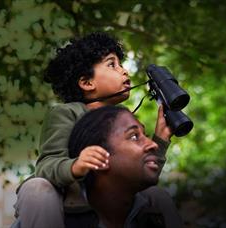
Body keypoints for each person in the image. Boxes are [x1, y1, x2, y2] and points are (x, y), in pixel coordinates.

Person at [12, 32, 173, 228]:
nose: (124, 71)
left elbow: (140, 173)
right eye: (112, 64)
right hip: (70, 202)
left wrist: (161, 140)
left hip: (110, 202)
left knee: (157, 196)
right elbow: (47, 165)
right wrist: (75, 166)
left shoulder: (124, 117)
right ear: (87, 83)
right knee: (36, 188)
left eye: (120, 64)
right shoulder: (65, 112)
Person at [67, 105, 183, 227]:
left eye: (146, 135)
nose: (153, 144)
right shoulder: (60, 219)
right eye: (134, 136)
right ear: (98, 157)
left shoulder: (155, 210)